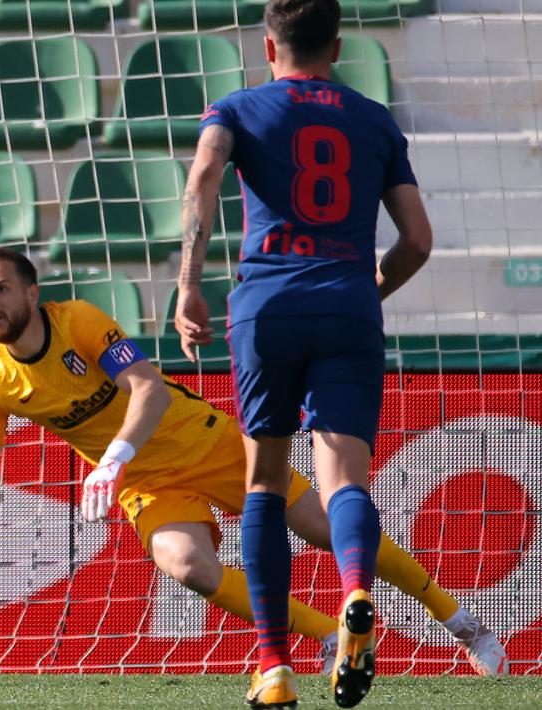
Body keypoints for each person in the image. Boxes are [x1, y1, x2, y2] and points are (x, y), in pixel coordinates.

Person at [0, 247, 501, 691]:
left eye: (1, 288)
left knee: (328, 529)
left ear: (32, 294)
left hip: (209, 445)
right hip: (150, 488)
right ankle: (328, 635)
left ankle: (462, 624)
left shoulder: (81, 322)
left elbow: (146, 388)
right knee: (186, 567)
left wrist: (111, 458)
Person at [171, 0, 436, 704]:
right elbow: (416, 241)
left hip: (266, 307)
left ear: (267, 46)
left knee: (264, 483)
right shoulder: (373, 117)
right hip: (347, 302)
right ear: (337, 45)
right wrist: (362, 293)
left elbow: (202, 178)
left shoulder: (235, 106)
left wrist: (188, 287)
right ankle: (355, 592)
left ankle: (273, 668)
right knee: (344, 480)